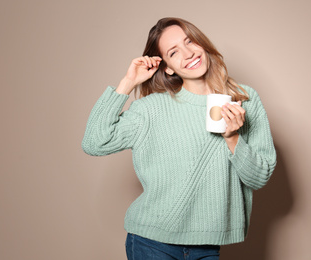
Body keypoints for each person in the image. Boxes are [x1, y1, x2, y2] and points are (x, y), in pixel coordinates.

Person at [82, 17, 276, 260]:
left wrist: (233, 138)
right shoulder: (150, 109)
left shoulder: (244, 99)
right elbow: (94, 142)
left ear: (202, 44)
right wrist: (128, 82)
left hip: (208, 244)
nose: (188, 53)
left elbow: (258, 177)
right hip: (151, 243)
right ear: (168, 67)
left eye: (190, 41)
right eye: (174, 52)